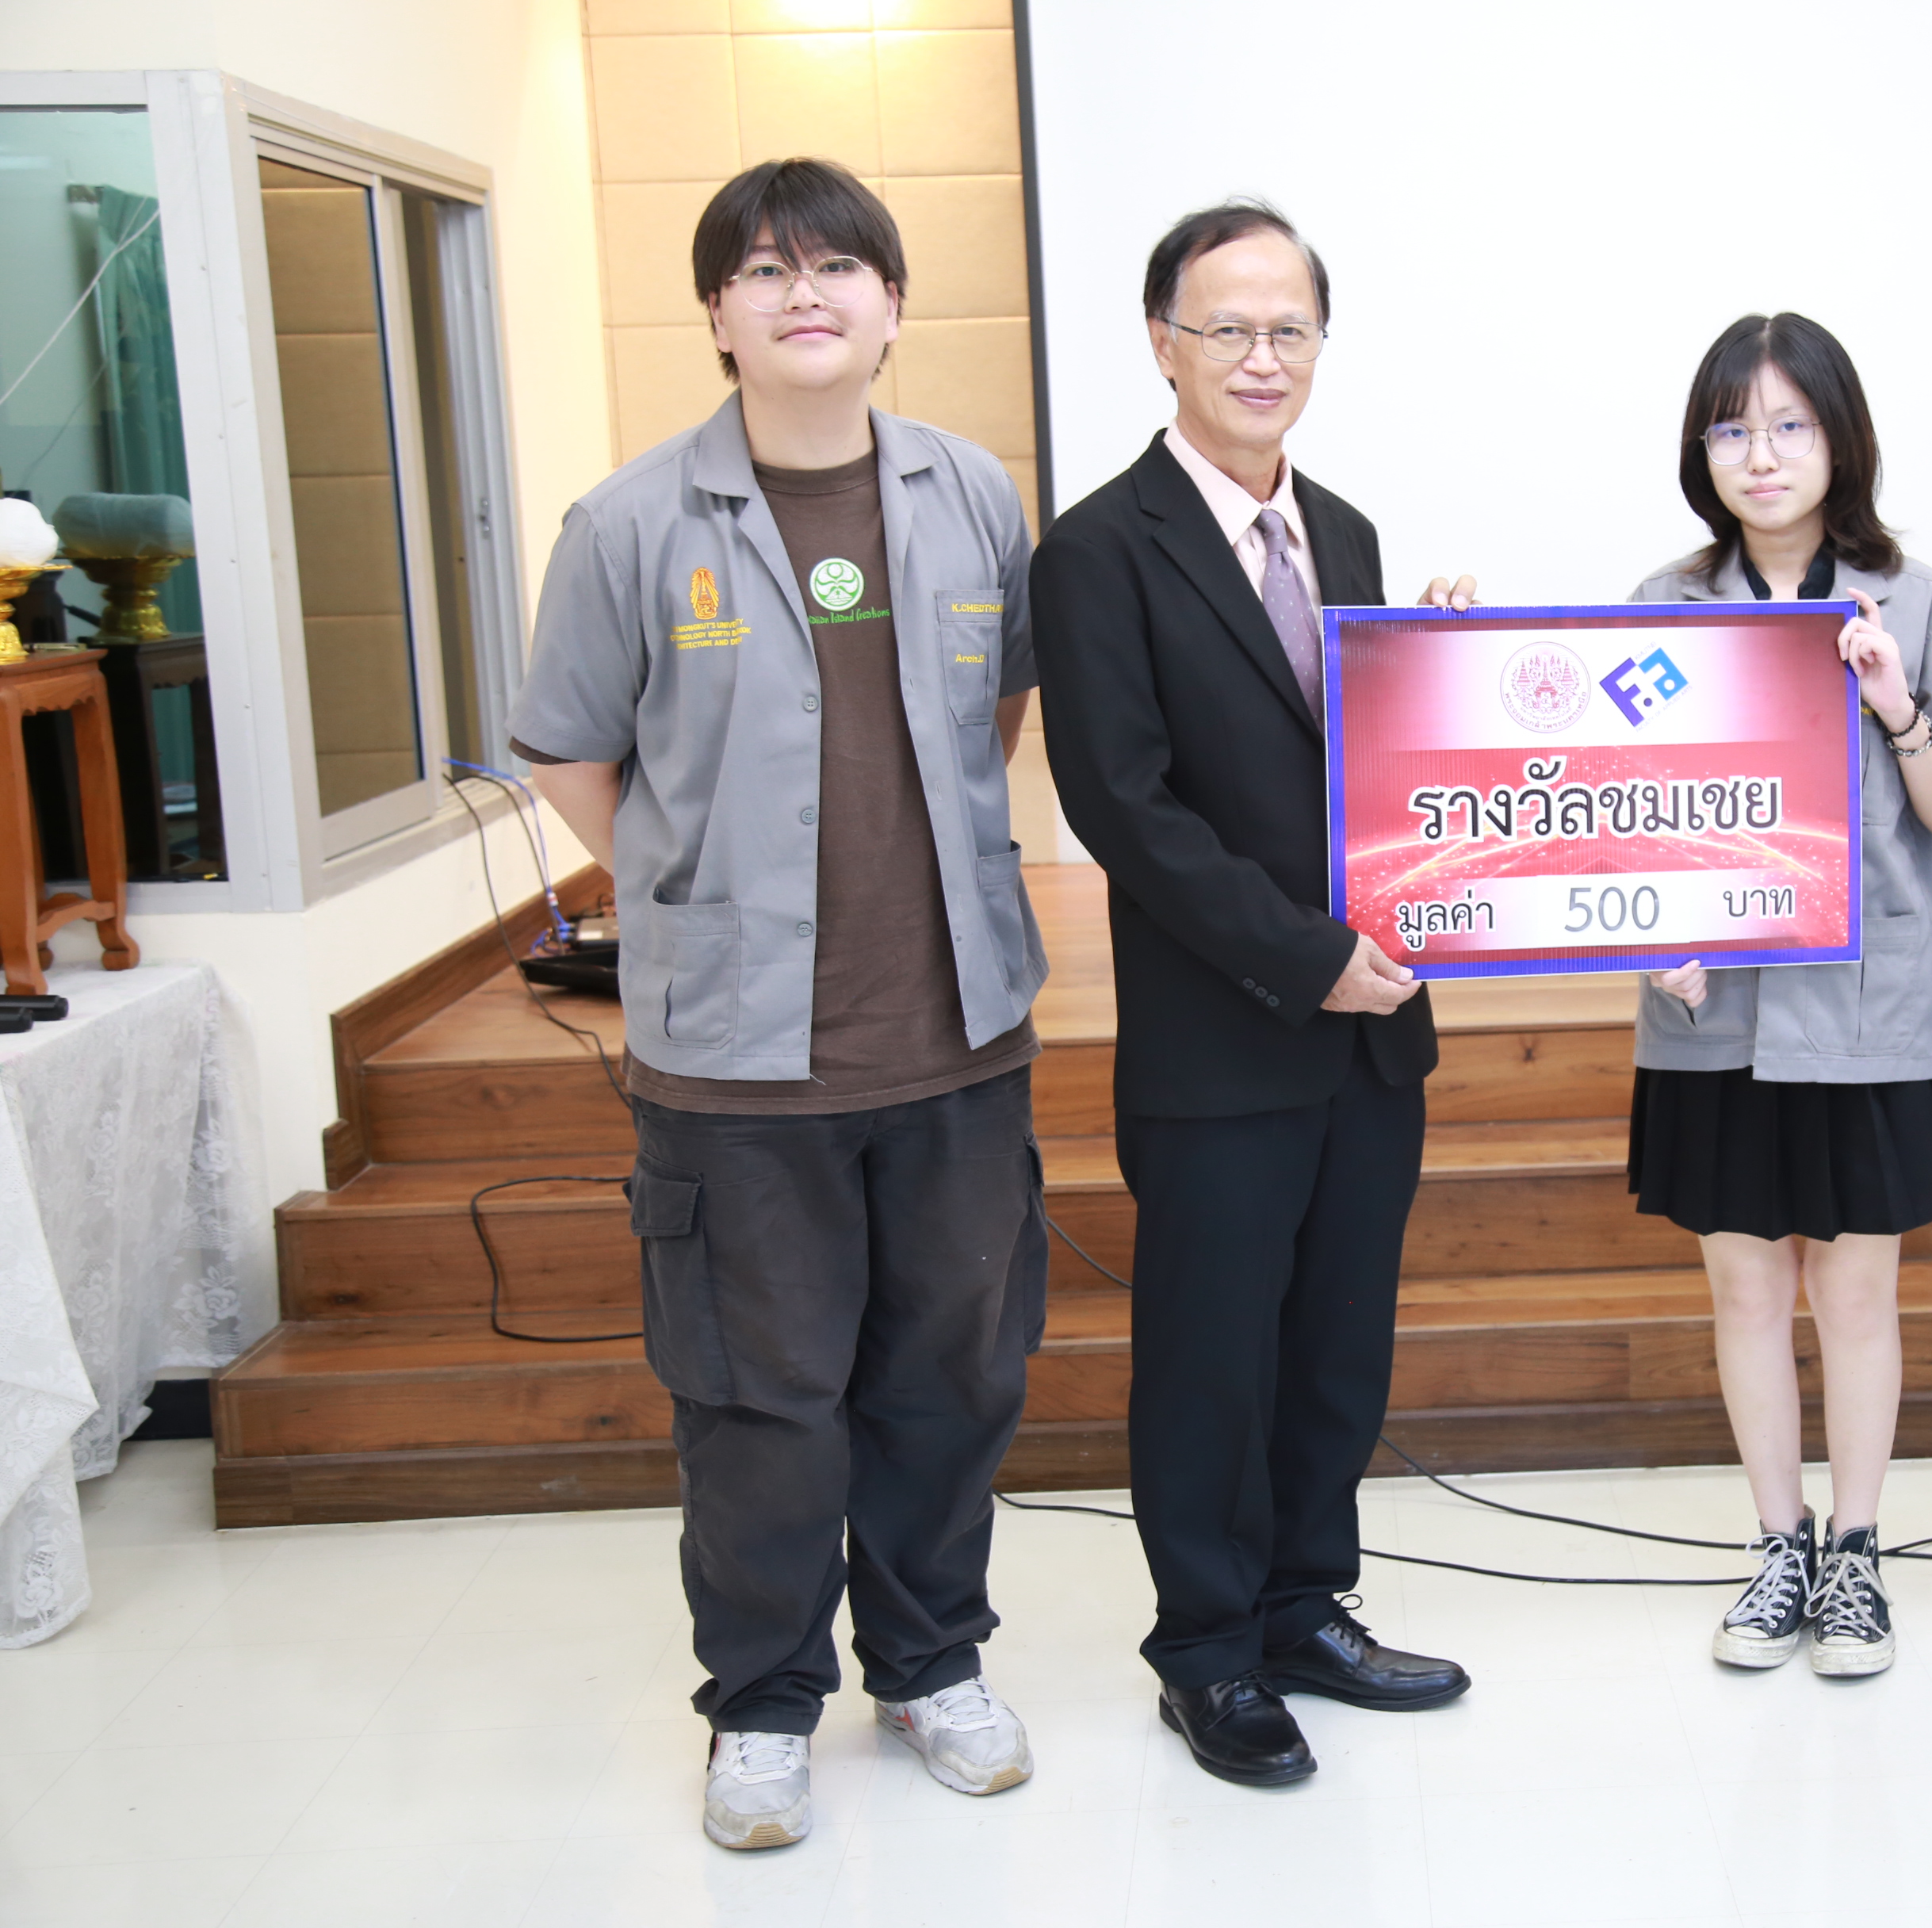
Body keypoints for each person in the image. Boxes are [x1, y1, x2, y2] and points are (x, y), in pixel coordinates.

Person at [511, 158, 1050, 1847]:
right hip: (737, 1069)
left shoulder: (972, 495)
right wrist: (698, 884)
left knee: (950, 1380)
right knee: (757, 1402)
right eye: (763, 269)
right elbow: (574, 758)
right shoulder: (627, 525)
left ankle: (933, 1664)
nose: (803, 292)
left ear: (893, 305)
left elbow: (996, 717)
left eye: (838, 266)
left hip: (956, 1039)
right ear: (717, 316)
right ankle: (760, 1704)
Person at [1031, 200, 1479, 1787]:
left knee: (1336, 1350)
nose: (1260, 356)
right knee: (1213, 1363)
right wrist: (1306, 958)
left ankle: (1302, 1608)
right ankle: (1208, 1650)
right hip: (1224, 1040)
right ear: (1163, 342)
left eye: (1289, 328)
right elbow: (1124, 806)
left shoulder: (1344, 534)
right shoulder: (1097, 551)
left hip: (1373, 1041)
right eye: (1227, 327)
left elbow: (1369, 775)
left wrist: (1449, 680)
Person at [1626, 314, 1932, 1677]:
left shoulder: (1916, 601)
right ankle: (1776, 1547)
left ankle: (1856, 1554)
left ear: (1840, 440)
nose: (1761, 455)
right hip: (1710, 1009)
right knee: (1742, 1289)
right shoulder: (1662, 606)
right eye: (1732, 428)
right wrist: (1646, 935)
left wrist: (1895, 703)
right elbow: (1624, 813)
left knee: (1855, 1295)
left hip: (1862, 1004)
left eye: (1789, 424)